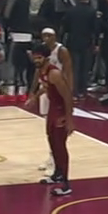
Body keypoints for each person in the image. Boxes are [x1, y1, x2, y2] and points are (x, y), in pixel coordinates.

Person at [36, 43, 74, 196]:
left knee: (60, 146)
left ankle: (66, 184)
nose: (36, 60)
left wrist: (69, 119)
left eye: (39, 58)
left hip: (60, 111)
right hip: (53, 109)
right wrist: (34, 98)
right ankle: (57, 174)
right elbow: (45, 87)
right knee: (51, 140)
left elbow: (67, 96)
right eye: (34, 57)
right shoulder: (42, 71)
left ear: (46, 58)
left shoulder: (54, 73)